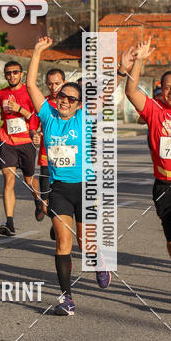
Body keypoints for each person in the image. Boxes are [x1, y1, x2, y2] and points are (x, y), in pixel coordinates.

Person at [26, 37, 111, 316]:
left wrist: (120, 69)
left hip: (85, 188)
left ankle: (98, 260)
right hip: (60, 189)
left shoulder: (84, 118)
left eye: (72, 99)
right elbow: (31, 85)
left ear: (79, 105)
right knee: (63, 242)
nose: (65, 101)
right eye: (62, 96)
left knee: (84, 244)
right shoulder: (48, 116)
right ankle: (66, 298)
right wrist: (37, 51)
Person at [125, 39, 171, 307]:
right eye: (167, 87)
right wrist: (139, 60)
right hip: (163, 186)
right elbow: (131, 91)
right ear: (161, 90)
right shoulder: (154, 110)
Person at [0, 60, 43, 235]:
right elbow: (6, 115)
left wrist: (20, 109)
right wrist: (0, 116)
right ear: (5, 76)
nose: (12, 75)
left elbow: (36, 117)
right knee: (8, 180)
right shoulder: (1, 93)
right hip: (7, 141)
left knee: (29, 180)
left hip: (26, 142)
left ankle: (38, 200)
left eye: (15, 72)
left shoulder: (29, 92)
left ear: (21, 74)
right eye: (8, 73)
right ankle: (9, 223)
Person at [37, 68, 65, 217]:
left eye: (57, 83)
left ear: (64, 83)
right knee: (46, 201)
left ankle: (57, 223)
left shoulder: (72, 103)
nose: (53, 87)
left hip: (68, 157)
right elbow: (33, 126)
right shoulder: (43, 104)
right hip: (46, 156)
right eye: (50, 84)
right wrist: (34, 135)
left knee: (62, 197)